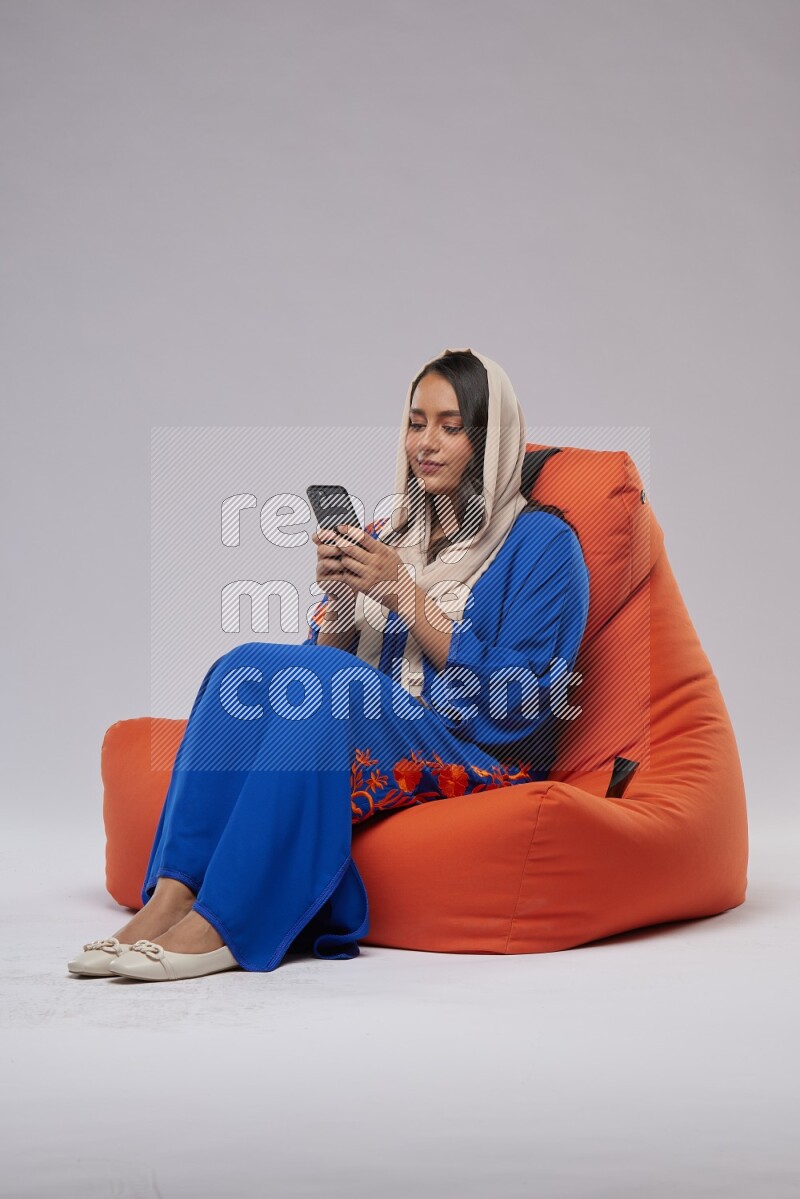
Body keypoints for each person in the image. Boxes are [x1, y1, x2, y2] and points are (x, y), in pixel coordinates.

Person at [67, 347, 590, 982]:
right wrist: (343, 602)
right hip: (379, 719)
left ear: (493, 440)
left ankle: (228, 924)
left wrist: (405, 595)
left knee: (326, 686)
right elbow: (314, 678)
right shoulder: (392, 531)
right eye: (415, 422)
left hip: (471, 748)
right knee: (244, 666)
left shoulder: (544, 543)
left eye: (451, 427)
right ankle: (171, 899)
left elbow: (526, 700)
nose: (425, 443)